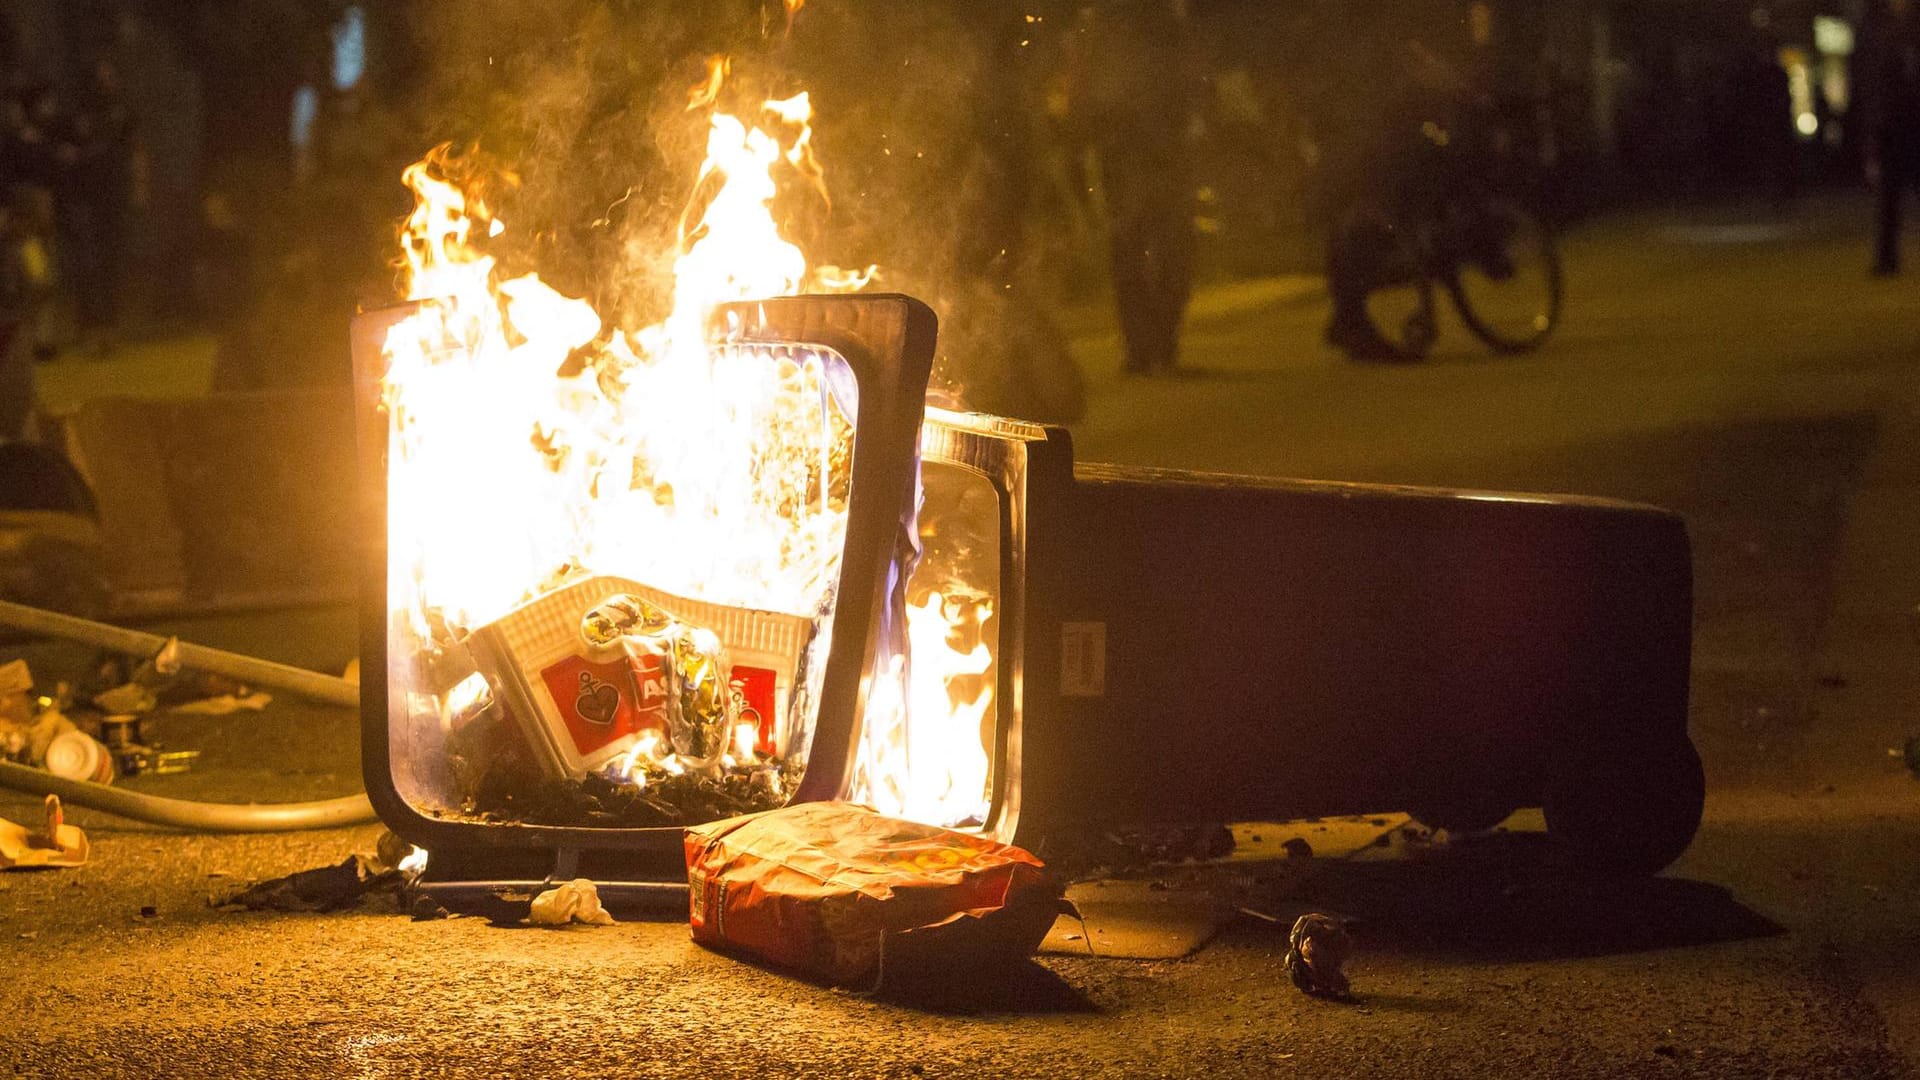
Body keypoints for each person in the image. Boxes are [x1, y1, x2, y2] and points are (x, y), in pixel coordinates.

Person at [1071, 0, 1201, 376]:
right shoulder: (1130, 18)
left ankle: (1149, 345)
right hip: (1141, 144)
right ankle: (1152, 344)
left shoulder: (1106, 19)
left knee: (1144, 245)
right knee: (1154, 244)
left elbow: (1084, 83)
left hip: (1143, 144)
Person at [1859, 0, 1920, 276]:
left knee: (1890, 199)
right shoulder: (1887, 39)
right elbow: (1879, 91)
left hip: (1904, 127)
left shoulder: (1898, 38)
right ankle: (1886, 259)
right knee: (1889, 199)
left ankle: (1887, 259)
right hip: (1894, 130)